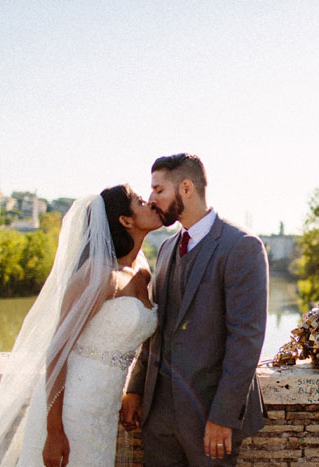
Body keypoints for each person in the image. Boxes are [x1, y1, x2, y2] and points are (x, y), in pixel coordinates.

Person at [0, 184, 162, 466]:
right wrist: (54, 430)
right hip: (71, 408)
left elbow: (110, 342)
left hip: (104, 409)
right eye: (141, 201)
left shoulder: (143, 272)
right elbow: (56, 352)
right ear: (125, 220)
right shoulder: (98, 275)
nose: (151, 204)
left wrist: (124, 394)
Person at [120, 153, 269, 466]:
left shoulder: (242, 246)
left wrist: (224, 417)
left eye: (159, 189)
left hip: (210, 420)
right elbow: (156, 328)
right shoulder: (166, 247)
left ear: (186, 188)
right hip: (157, 418)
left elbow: (246, 339)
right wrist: (135, 389)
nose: (151, 198)